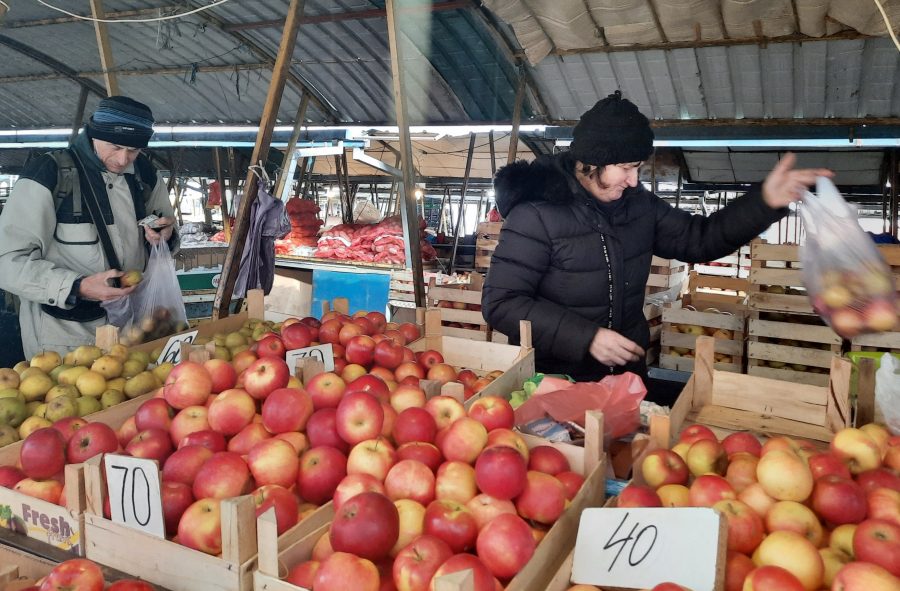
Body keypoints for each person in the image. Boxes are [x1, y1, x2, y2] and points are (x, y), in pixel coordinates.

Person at [482, 90, 832, 382]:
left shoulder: (640, 207)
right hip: (553, 380)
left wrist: (764, 202)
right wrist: (585, 338)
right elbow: (501, 303)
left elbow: (700, 239)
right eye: (626, 168)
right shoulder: (537, 214)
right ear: (590, 162)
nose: (634, 180)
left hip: (625, 376)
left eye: (638, 168)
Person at [0, 96, 178, 358]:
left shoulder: (144, 175)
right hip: (64, 335)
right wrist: (75, 287)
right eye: (114, 146)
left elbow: (166, 225)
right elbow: (8, 261)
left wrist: (166, 236)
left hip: (133, 327)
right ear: (93, 134)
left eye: (133, 150)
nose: (122, 159)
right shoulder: (50, 174)